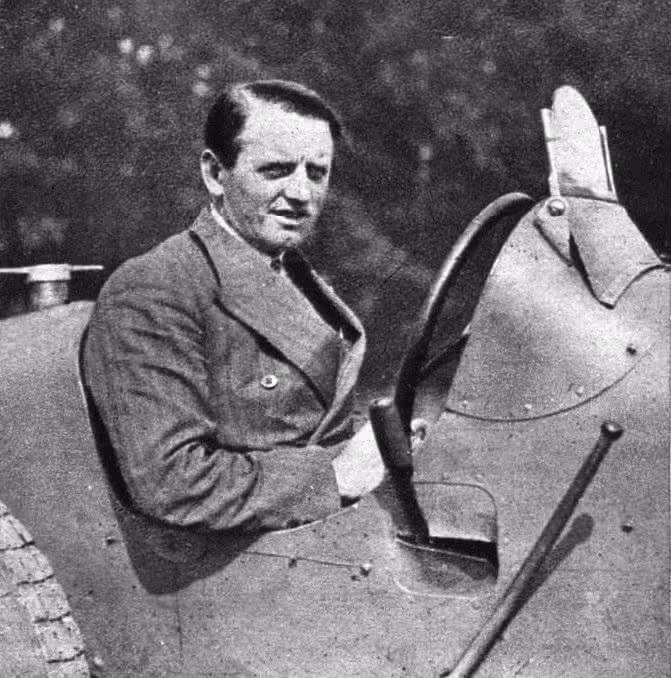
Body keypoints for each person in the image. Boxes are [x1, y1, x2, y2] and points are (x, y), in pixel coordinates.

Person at [81, 80, 385, 539]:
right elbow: (173, 483)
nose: (302, 193)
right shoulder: (155, 288)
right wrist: (334, 477)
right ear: (214, 174)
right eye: (276, 170)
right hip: (240, 562)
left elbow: (314, 420)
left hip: (317, 539)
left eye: (317, 172)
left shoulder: (292, 273)